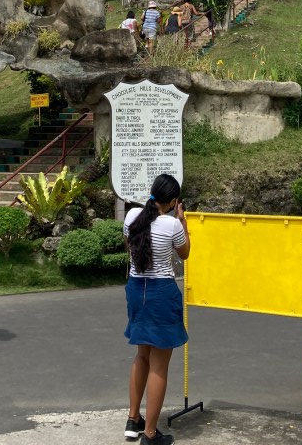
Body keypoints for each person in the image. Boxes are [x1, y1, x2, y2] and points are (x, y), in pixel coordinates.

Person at [123, 173, 190, 445]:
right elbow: (184, 254)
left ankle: (133, 419)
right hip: (161, 292)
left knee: (142, 356)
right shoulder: (172, 225)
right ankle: (150, 435)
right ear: (174, 201)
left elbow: (130, 245)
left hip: (136, 289)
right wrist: (183, 222)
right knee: (159, 367)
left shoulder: (131, 218)